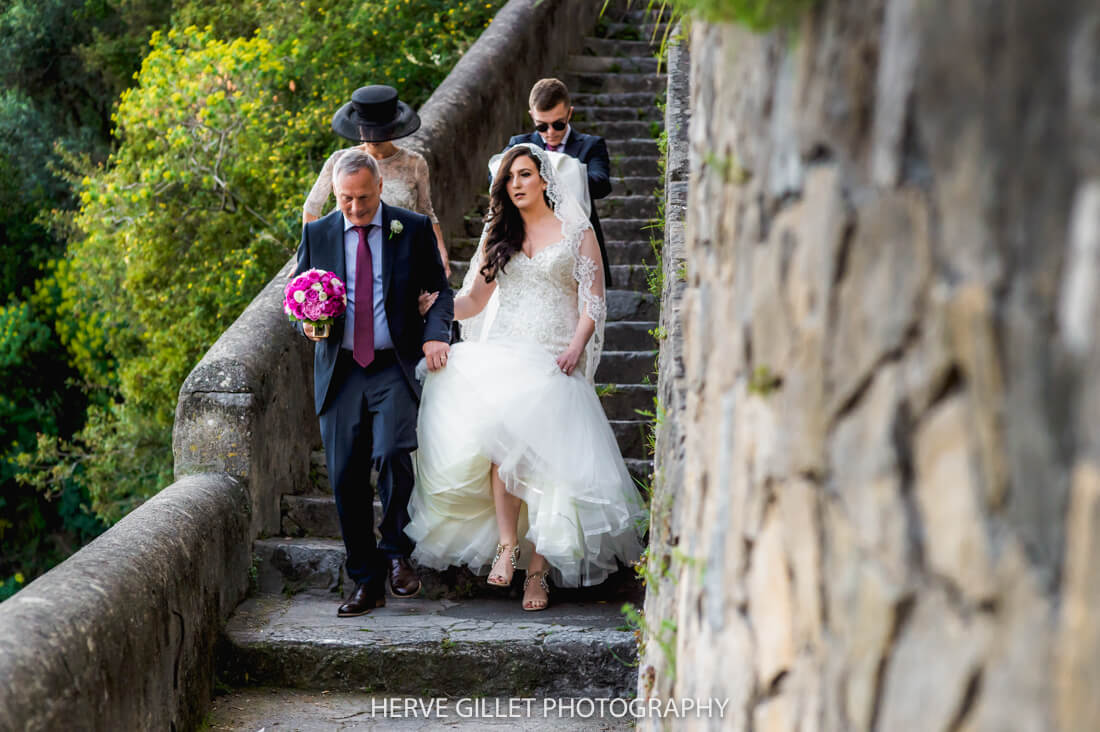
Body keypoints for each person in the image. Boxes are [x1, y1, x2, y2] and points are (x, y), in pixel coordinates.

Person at [405, 144, 644, 611]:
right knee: (501, 446)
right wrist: (436, 307)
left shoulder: (577, 232)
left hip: (557, 356)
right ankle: (506, 544)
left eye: (525, 175)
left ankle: (538, 574)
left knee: (547, 463)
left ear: (544, 180)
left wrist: (576, 346)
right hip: (505, 355)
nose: (516, 184)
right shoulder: (499, 234)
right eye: (510, 178)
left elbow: (593, 300)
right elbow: (474, 299)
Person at [294, 148, 453, 617]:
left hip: (393, 364)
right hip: (341, 371)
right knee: (344, 477)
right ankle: (365, 581)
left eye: (364, 198)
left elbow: (441, 292)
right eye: (346, 200)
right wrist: (305, 324)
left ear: (380, 187)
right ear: (336, 195)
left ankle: (397, 552)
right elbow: (296, 297)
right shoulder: (318, 233)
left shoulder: (412, 228)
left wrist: (434, 336)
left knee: (393, 452)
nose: (356, 209)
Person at [304, 85, 451, 277]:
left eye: (379, 130)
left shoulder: (414, 163)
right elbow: (312, 207)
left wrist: (440, 252)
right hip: (352, 257)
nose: (373, 137)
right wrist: (307, 256)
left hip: (402, 256)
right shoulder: (339, 161)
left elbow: (425, 213)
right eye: (367, 130)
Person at [501, 78, 613, 287]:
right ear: (532, 116)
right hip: (528, 243)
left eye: (558, 124)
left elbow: (602, 184)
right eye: (542, 126)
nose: (550, 132)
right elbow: (496, 178)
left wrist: (558, 175)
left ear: (570, 113)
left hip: (576, 245)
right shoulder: (519, 145)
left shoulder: (591, 145)